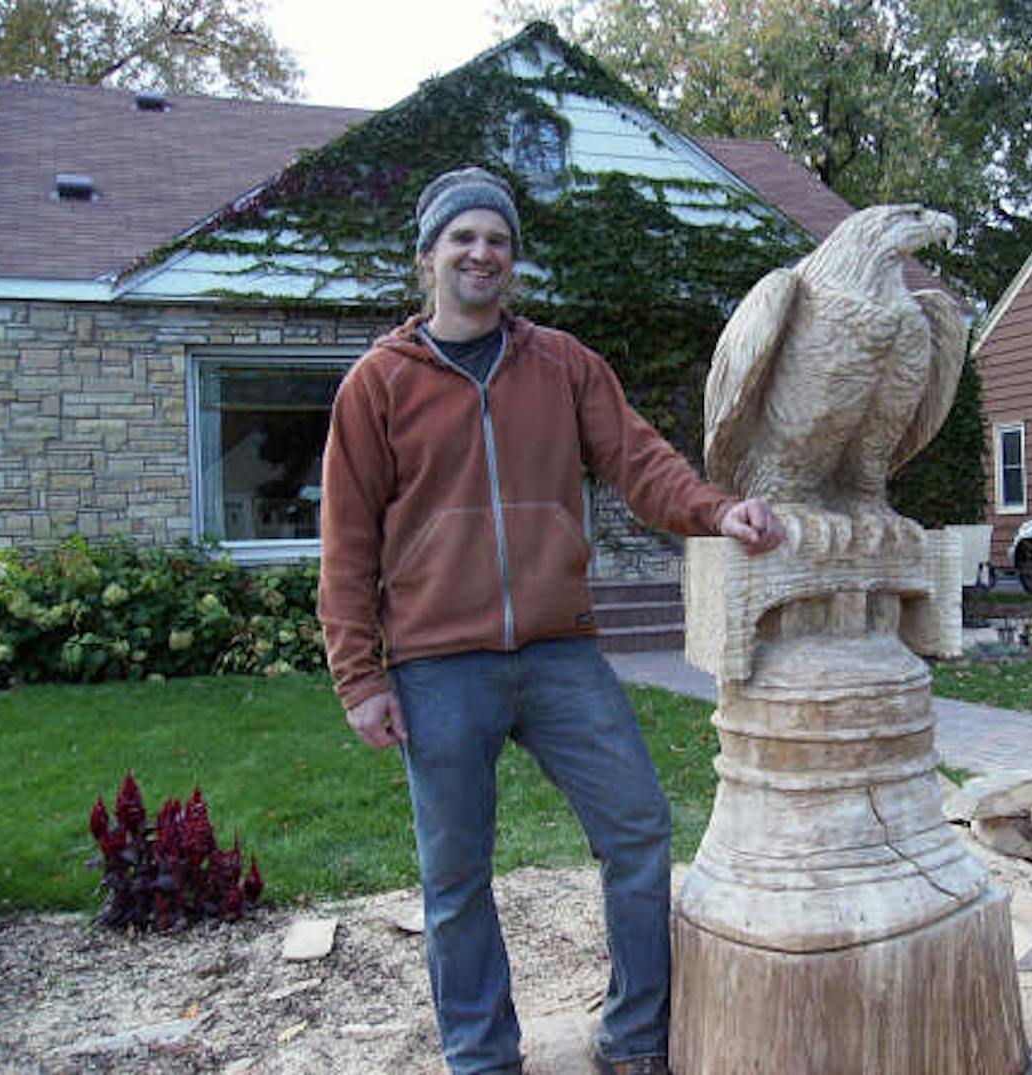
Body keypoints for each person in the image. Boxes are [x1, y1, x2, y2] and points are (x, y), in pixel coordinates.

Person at [318, 166, 784, 1075]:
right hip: (437, 665)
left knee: (640, 829)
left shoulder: (564, 365)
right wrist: (359, 678)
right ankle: (483, 1057)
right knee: (455, 881)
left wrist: (716, 509)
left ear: (512, 260)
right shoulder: (377, 386)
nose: (482, 253)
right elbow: (345, 545)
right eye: (463, 238)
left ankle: (637, 1035)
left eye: (497, 239)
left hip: (560, 652)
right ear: (429, 257)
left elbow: (639, 460)